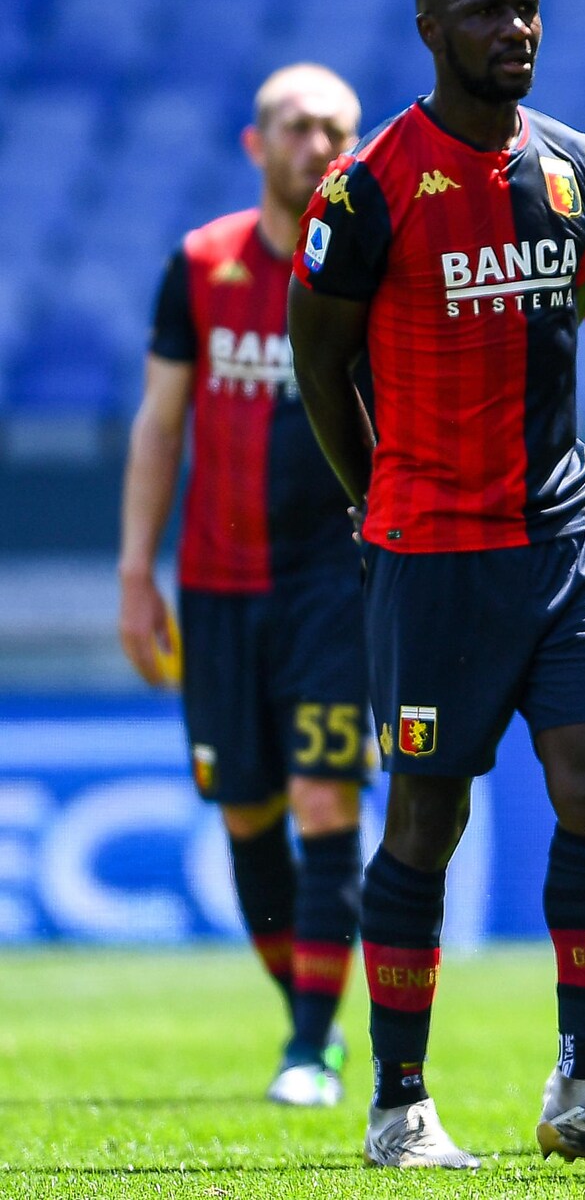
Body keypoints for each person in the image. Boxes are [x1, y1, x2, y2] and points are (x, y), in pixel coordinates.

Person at [288, 0, 585, 1170]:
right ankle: (399, 1102)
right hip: (434, 548)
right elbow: (319, 361)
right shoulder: (367, 188)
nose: (514, 29)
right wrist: (376, 498)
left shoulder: (573, 168)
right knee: (427, 811)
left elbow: (582, 324)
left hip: (565, 534)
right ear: (430, 28)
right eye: (484, 12)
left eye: (526, 8)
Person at [117, 64, 368, 1109]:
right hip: (218, 585)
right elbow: (160, 421)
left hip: (333, 582)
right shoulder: (201, 264)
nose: (316, 144)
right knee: (247, 814)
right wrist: (136, 570)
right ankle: (308, 1020)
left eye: (335, 129)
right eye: (295, 127)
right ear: (254, 144)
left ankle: (308, 1045)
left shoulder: (367, 264)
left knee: (322, 795)